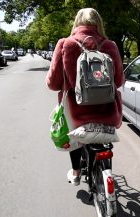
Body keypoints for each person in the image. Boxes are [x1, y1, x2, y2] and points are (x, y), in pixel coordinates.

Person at [45, 8, 124, 186]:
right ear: (99, 24)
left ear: (77, 23)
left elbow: (53, 84)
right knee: (102, 141)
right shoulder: (109, 45)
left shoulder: (66, 44)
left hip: (75, 114)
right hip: (107, 111)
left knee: (75, 139)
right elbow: (118, 81)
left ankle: (76, 172)